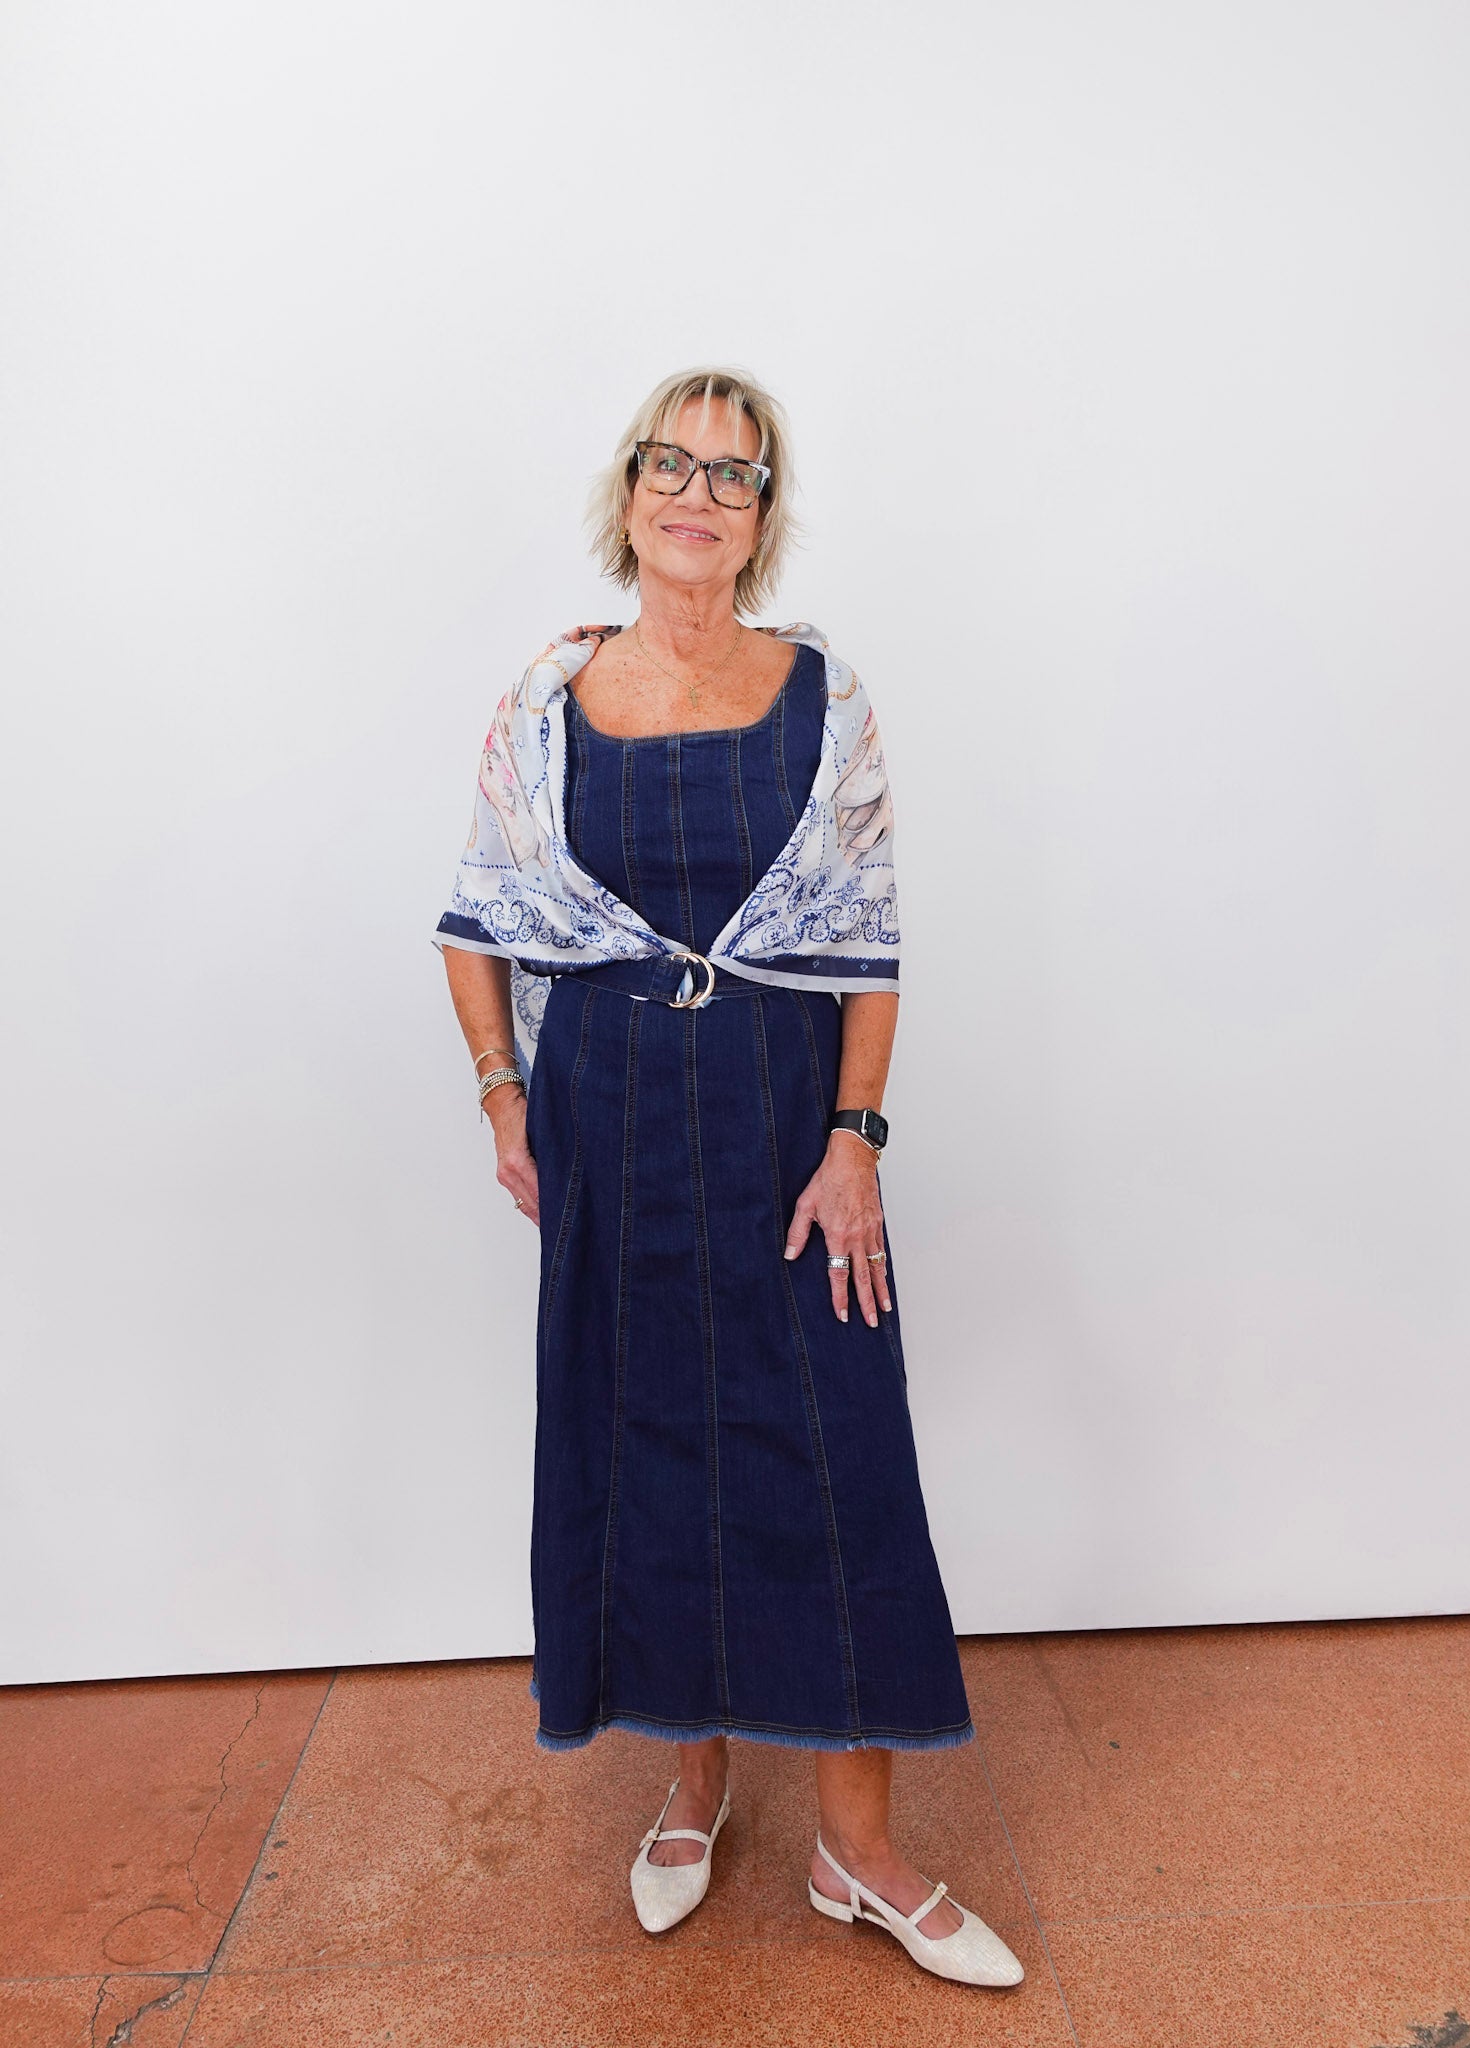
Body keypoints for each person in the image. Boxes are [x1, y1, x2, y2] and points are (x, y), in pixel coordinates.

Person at [434, 366, 1022, 1989]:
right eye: (671, 464)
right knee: (647, 1440)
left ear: (766, 519)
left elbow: (869, 949)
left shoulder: (824, 699)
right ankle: (691, 1776)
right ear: (628, 492)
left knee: (836, 1459)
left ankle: (863, 1849)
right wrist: (505, 1104)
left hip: (782, 1124)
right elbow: (476, 927)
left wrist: (857, 1145)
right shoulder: (546, 705)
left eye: (735, 476)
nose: (698, 493)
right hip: (607, 1120)